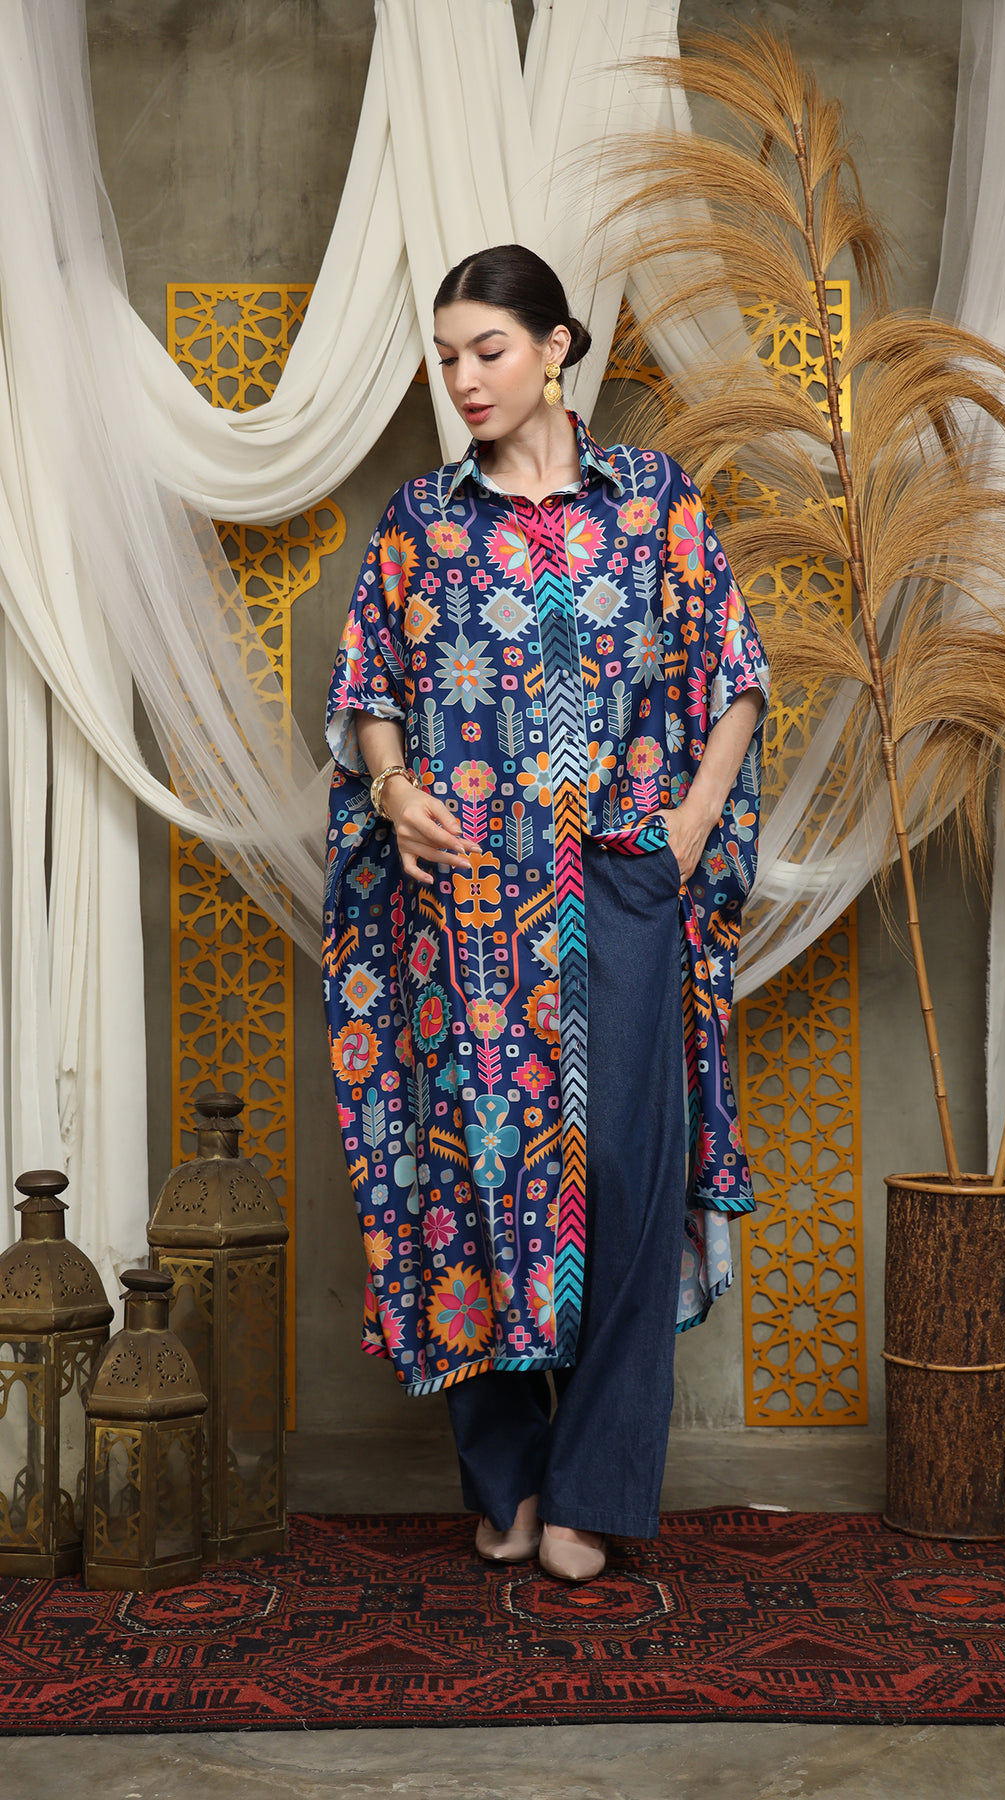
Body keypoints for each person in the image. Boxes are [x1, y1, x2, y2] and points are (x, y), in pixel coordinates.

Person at [323, 244, 768, 1583]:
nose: (463, 378)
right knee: (472, 1171)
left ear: (557, 346)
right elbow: (367, 690)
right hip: (464, 899)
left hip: (626, 882)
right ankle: (507, 1479)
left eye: (489, 350)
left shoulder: (652, 501)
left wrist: (689, 825)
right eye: (447, 357)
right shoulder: (420, 521)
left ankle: (593, 1489)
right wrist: (395, 790)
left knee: (628, 1178)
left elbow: (735, 671)